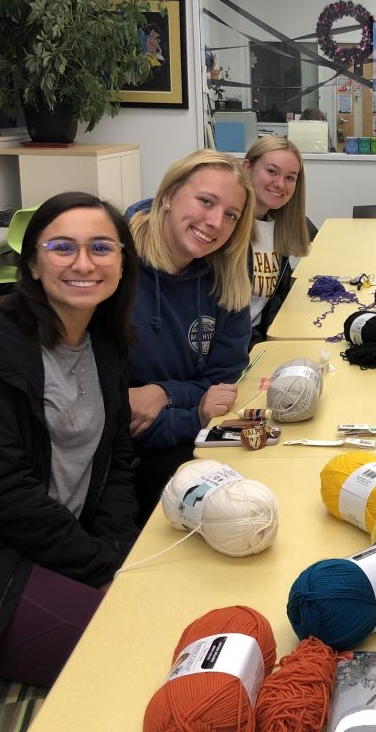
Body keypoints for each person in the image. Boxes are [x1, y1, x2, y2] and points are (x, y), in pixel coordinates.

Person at [0, 192, 140, 687]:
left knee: (171, 606)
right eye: (61, 247)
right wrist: (98, 565)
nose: (83, 263)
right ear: (32, 264)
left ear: (121, 263)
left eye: (101, 247)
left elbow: (116, 457)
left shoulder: (105, 342)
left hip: (60, 543)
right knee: (134, 654)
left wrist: (117, 547)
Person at [127, 150, 254, 523]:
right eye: (205, 201)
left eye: (231, 215)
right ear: (167, 195)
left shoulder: (226, 276)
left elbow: (223, 383)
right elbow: (113, 414)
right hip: (122, 457)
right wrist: (194, 413)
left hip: (183, 435)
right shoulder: (115, 269)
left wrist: (166, 394)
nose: (215, 222)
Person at [243, 137, 316, 348]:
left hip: (258, 341)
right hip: (231, 353)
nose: (280, 184)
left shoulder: (278, 229)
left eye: (290, 177)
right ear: (247, 167)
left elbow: (271, 303)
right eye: (272, 171)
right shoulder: (225, 231)